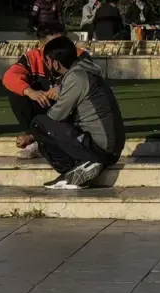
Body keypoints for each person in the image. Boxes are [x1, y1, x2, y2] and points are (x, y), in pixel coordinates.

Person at [31, 36, 125, 190]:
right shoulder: (84, 71)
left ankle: (71, 170)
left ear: (55, 63)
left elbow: (56, 116)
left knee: (39, 123)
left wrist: (31, 136)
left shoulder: (76, 77)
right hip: (109, 149)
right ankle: (83, 165)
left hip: (101, 149)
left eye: (47, 61)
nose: (46, 65)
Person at [2, 22, 80, 159]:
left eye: (62, 42)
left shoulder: (77, 54)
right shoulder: (32, 57)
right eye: (53, 44)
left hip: (69, 109)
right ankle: (36, 136)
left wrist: (62, 88)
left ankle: (36, 138)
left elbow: (92, 75)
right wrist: (30, 92)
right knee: (17, 90)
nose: (59, 48)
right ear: (42, 46)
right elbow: (9, 76)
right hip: (45, 105)